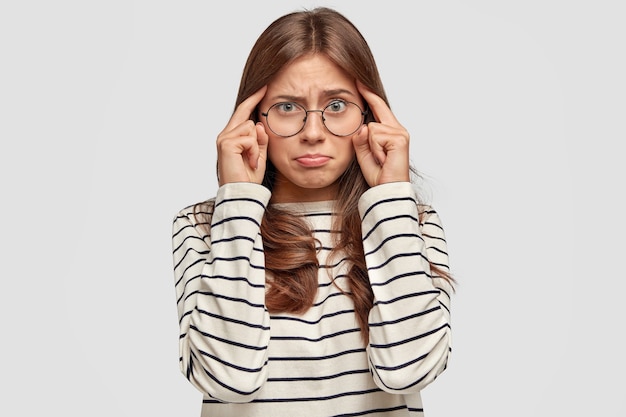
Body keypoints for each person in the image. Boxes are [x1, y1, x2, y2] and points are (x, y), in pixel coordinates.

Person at [171, 6, 454, 417]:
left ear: (370, 116)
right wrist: (236, 202)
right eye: (287, 107)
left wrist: (392, 199)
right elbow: (227, 378)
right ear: (252, 120)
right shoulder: (203, 227)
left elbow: (410, 371)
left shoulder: (412, 223)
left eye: (337, 105)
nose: (314, 132)